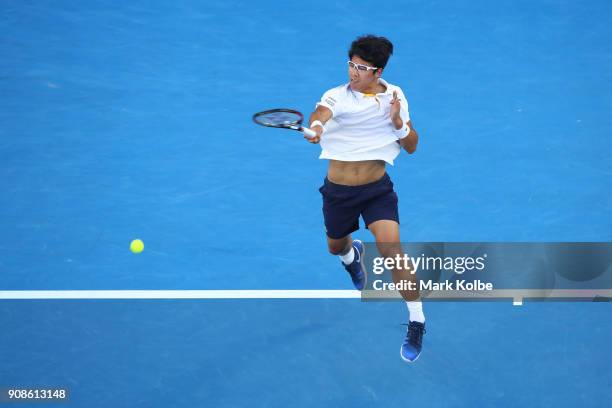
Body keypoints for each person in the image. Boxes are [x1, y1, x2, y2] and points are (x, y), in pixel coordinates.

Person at [305, 35, 426, 362]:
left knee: (392, 252)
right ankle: (350, 257)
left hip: (376, 191)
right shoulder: (336, 96)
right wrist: (316, 128)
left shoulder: (395, 96)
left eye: (362, 68)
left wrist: (398, 124)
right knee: (335, 246)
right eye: (351, 65)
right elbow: (321, 113)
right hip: (338, 193)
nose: (353, 73)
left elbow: (412, 145)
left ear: (378, 71)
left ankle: (417, 320)